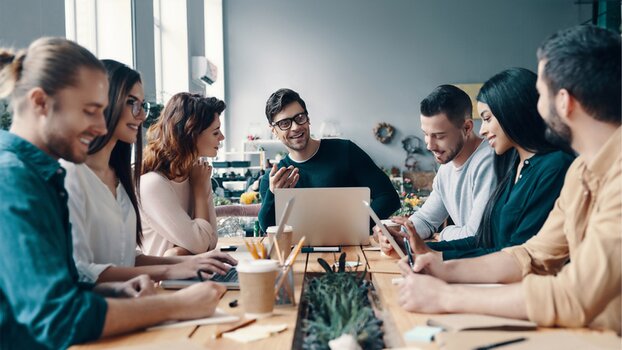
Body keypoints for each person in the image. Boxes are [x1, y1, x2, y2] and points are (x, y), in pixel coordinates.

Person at [0, 37, 225, 350]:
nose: (101, 127)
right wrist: (178, 305)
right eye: (90, 111)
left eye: (104, 111)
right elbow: (58, 318)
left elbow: (65, 284)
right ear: (40, 103)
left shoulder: (41, 175)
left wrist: (112, 291)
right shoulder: (12, 180)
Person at [396, 25, 621, 334]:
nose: (537, 107)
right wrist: (444, 267)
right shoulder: (581, 172)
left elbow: (576, 294)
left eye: (541, 94)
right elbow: (531, 254)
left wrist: (449, 295)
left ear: (564, 102)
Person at [62, 59, 236, 283]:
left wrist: (191, 263)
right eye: (132, 103)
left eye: (143, 105)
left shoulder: (120, 177)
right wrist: (174, 267)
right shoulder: (71, 176)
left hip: (135, 298)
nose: (142, 115)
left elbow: (127, 258)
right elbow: (82, 272)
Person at [379, 68, 575, 260]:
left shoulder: (544, 166)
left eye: (487, 118)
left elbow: (514, 255)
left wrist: (437, 250)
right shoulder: (516, 165)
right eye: (425, 134)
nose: (429, 145)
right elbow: (487, 241)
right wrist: (412, 243)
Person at [257, 88, 400, 232]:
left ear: (308, 119)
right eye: (284, 123)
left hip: (352, 250)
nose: (295, 127)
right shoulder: (274, 180)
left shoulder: (345, 151)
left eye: (300, 117)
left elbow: (388, 197)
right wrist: (273, 194)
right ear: (274, 130)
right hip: (299, 253)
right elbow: (267, 227)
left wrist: (356, 227)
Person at [375, 85, 496, 243]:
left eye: (439, 136)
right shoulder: (446, 167)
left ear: (467, 128)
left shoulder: (489, 161)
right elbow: (426, 219)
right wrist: (399, 235)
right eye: (426, 134)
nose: (429, 146)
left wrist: (443, 234)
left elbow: (477, 235)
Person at [141, 92, 226, 256]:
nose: (221, 137)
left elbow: (211, 240)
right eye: (215, 132)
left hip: (192, 275)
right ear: (191, 135)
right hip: (160, 280)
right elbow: (201, 244)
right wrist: (200, 190)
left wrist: (182, 250)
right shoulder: (153, 184)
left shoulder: (197, 173)